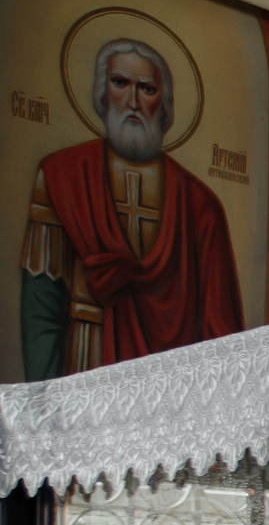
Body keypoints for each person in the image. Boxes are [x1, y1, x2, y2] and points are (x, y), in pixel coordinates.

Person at [21, 37, 243, 378]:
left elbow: (222, 339)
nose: (134, 102)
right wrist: (40, 406)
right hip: (85, 376)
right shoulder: (60, 177)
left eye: (148, 89)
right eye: (120, 83)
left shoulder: (202, 206)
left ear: (164, 105)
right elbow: (42, 307)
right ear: (103, 93)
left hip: (171, 394)